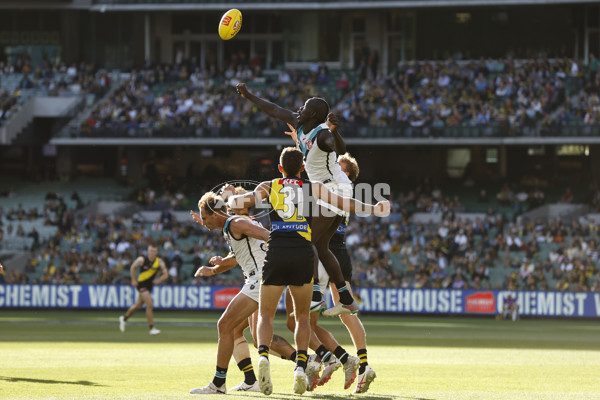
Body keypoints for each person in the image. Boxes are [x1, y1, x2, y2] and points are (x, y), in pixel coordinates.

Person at [228, 147, 389, 395]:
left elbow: (240, 202)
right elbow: (346, 204)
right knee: (302, 318)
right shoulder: (313, 187)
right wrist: (375, 208)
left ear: (280, 168)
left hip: (277, 251)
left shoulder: (269, 185)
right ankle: (301, 368)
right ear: (303, 168)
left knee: (266, 315)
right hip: (303, 254)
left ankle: (262, 356)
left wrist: (228, 200)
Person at [237, 82, 359, 317]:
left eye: (304, 108)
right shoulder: (300, 123)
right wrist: (248, 95)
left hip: (334, 188)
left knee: (307, 240)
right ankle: (345, 298)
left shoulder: (323, 135)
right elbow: (273, 109)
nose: (299, 109)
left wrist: (335, 132)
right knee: (321, 246)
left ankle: (315, 296)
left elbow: (339, 150)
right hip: (325, 189)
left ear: (313, 114)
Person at [188, 190, 319, 394]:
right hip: (258, 278)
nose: (204, 223)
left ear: (215, 214)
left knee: (225, 325)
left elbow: (270, 237)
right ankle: (250, 379)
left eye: (205, 218)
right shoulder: (232, 225)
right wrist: (214, 269)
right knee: (232, 329)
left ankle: (219, 383)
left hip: (259, 279)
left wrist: (284, 259)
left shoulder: (236, 223)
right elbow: (240, 254)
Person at [319, 153, 377, 393]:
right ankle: (362, 366)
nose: (335, 171)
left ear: (349, 175)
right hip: (337, 251)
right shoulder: (335, 186)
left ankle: (324, 359)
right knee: (346, 313)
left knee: (306, 314)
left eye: (340, 169)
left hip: (328, 251)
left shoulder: (341, 190)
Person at [119, 244, 168, 335]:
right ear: (147, 251)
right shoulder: (141, 260)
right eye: (150, 250)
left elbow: (165, 274)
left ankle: (124, 318)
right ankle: (151, 328)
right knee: (149, 304)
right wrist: (133, 279)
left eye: (153, 251)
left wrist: (159, 280)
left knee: (138, 306)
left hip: (149, 286)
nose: (151, 253)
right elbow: (132, 267)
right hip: (141, 284)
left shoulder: (159, 262)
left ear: (156, 252)